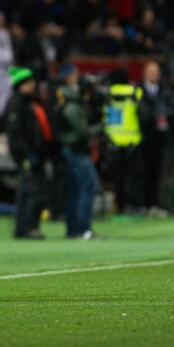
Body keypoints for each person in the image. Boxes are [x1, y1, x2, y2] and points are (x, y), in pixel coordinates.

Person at [54, 63, 101, 239]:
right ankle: (83, 228)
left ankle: (73, 229)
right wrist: (100, 128)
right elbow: (83, 131)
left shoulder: (68, 101)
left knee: (74, 190)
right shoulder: (72, 105)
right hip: (76, 151)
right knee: (88, 188)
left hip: (71, 151)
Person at [4, 66, 51, 239]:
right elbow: (15, 134)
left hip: (36, 154)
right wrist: (25, 153)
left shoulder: (31, 102)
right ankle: (25, 228)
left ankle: (32, 225)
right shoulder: (17, 103)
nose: (32, 85)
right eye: (29, 82)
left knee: (37, 189)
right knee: (29, 189)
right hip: (26, 155)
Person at [137, 61, 174, 215]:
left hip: (162, 138)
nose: (154, 75)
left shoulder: (166, 91)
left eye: (156, 72)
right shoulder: (138, 91)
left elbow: (173, 109)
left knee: (161, 173)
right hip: (143, 138)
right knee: (143, 173)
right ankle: (143, 204)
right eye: (151, 72)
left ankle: (159, 204)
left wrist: (166, 116)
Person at [102, 68, 143, 213]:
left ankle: (119, 205)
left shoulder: (107, 93)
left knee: (118, 177)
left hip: (113, 138)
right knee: (133, 176)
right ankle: (134, 204)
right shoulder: (134, 92)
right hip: (132, 139)